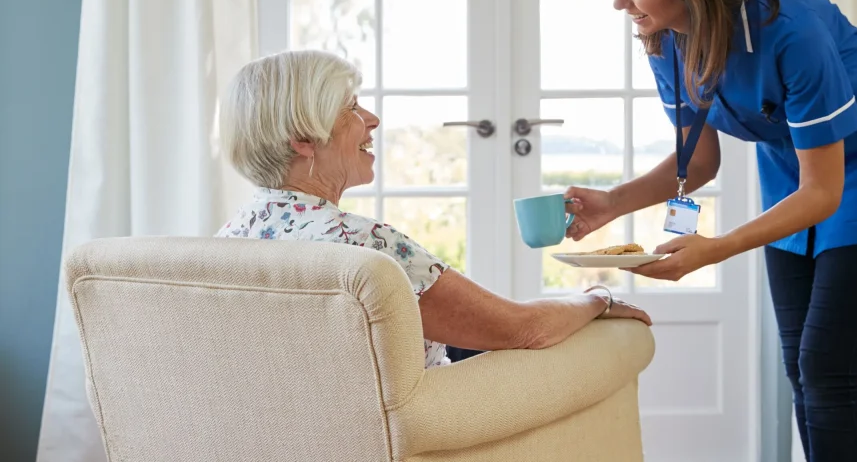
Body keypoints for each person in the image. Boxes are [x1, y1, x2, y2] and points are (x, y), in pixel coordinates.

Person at [565, 0, 857, 462]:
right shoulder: (667, 38)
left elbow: (825, 192)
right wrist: (613, 203)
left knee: (828, 366)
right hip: (797, 170)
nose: (619, 2)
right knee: (802, 366)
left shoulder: (792, 32)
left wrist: (715, 249)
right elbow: (700, 160)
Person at [215, 50, 650, 369]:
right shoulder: (366, 247)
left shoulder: (227, 241)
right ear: (303, 138)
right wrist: (597, 298)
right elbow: (525, 328)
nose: (372, 119)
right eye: (350, 107)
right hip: (418, 435)